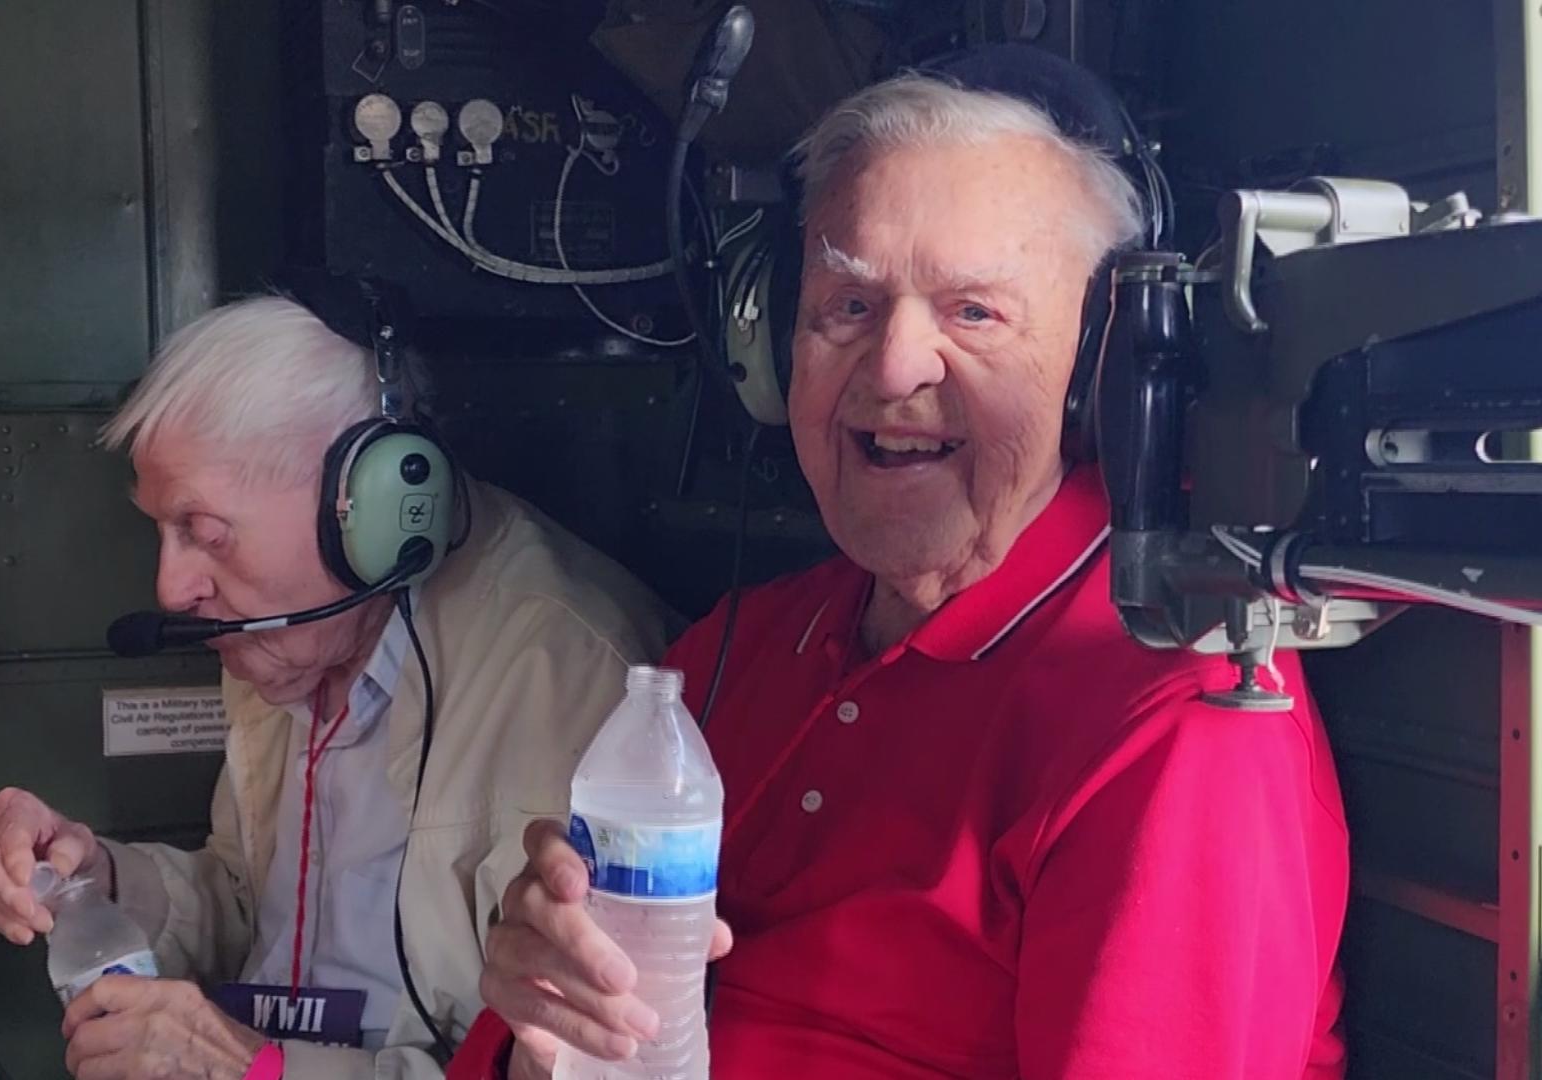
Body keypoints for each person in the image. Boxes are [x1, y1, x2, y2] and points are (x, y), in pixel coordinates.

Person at [451, 72, 1350, 1079]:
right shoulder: (734, 653)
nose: (891, 368)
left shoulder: (1178, 718)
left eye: (973, 312)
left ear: (1100, 375)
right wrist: (539, 1029)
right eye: (848, 305)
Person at [0, 293, 674, 1079]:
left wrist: (255, 1070)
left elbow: (563, 1068)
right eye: (162, 533)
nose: (172, 588)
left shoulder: (570, 675)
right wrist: (92, 881)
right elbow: (251, 905)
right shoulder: (282, 643)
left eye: (204, 533)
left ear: (367, 515)